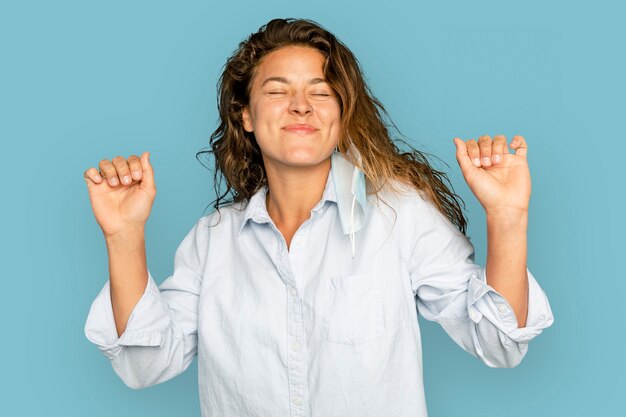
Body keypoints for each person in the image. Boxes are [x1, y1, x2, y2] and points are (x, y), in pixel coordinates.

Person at [83, 18, 554, 417]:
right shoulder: (212, 240)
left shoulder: (399, 215)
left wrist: (506, 216)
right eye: (277, 90)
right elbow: (144, 366)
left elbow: (500, 342)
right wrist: (124, 236)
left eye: (321, 91)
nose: (301, 105)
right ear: (244, 115)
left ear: (342, 113)